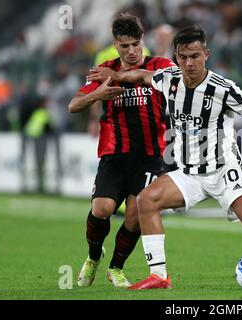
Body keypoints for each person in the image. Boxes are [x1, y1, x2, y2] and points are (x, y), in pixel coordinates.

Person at [87, 25, 242, 290]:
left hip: (223, 169)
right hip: (189, 173)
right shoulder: (168, 78)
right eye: (182, 57)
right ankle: (159, 276)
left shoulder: (223, 89)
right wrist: (116, 75)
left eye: (194, 56)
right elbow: (142, 75)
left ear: (206, 54)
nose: (188, 63)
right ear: (176, 57)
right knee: (146, 201)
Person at [68, 13, 175, 288]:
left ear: (143, 41)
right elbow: (74, 105)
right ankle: (94, 256)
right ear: (115, 44)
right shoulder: (104, 69)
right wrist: (96, 95)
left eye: (136, 44)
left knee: (135, 214)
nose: (131, 51)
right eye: (125, 45)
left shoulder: (159, 65)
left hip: (150, 156)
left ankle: (116, 267)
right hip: (114, 154)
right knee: (101, 209)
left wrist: (119, 78)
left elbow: (170, 81)